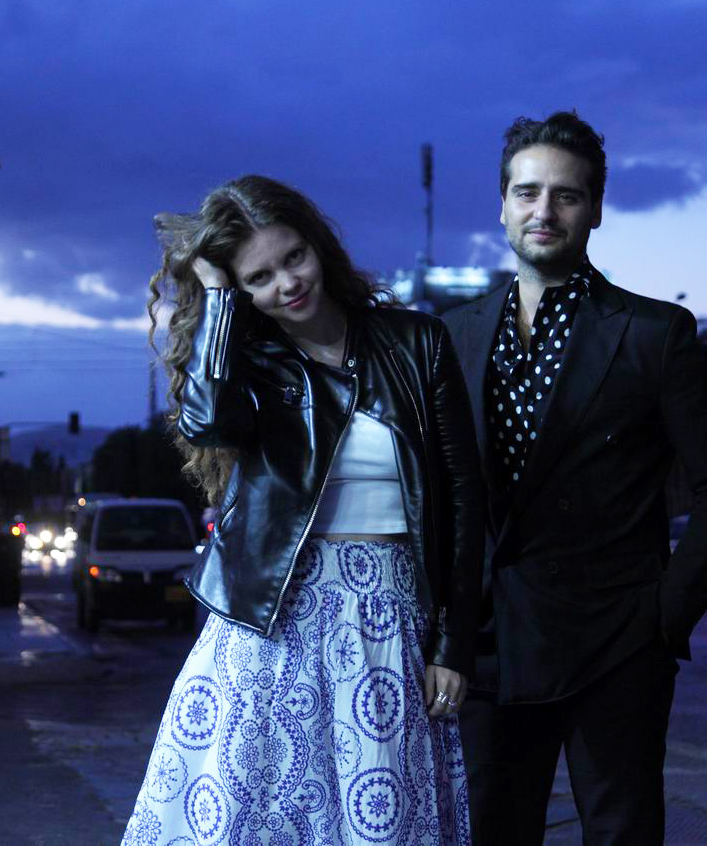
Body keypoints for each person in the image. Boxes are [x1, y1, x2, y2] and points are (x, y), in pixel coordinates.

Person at [122, 175, 484, 845]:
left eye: (294, 257)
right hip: (271, 618)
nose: (287, 284)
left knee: (376, 815)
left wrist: (453, 644)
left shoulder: (416, 342)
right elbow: (206, 421)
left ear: (319, 244)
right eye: (259, 277)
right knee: (249, 816)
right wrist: (219, 298)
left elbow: (464, 496)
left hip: (385, 614)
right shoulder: (249, 363)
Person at [441, 112, 707, 843]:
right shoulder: (452, 335)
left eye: (566, 195)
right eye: (527, 192)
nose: (543, 211)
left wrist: (666, 614)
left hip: (615, 644)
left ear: (596, 210)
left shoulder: (654, 333)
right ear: (501, 205)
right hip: (489, 646)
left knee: (622, 833)